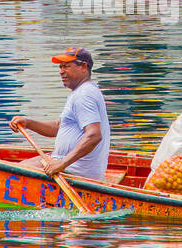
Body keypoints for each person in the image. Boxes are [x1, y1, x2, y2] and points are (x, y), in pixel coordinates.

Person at [10, 47, 111, 181]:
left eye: (66, 66)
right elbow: (58, 127)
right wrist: (28, 123)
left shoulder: (84, 94)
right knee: (19, 166)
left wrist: (61, 164)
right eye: (60, 67)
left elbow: (94, 135)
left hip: (75, 171)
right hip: (66, 163)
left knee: (15, 172)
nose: (61, 72)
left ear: (84, 67)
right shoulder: (83, 91)